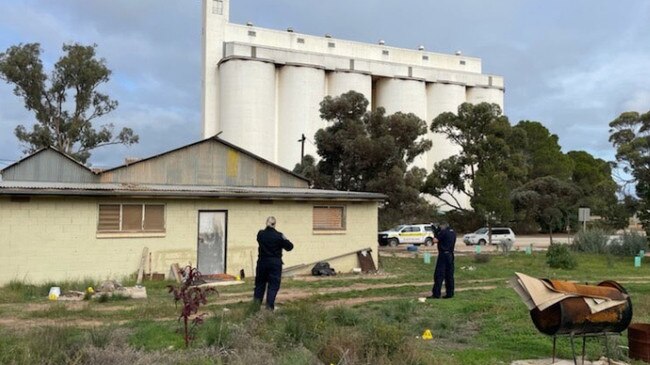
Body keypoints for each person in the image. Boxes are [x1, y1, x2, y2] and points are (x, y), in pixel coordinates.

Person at [253, 216, 294, 310]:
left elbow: (260, 238)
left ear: (266, 223)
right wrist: (284, 238)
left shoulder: (260, 234)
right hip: (275, 263)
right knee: (273, 285)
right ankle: (269, 307)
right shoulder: (279, 236)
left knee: (259, 285)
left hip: (262, 263)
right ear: (275, 224)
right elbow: (290, 247)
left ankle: (255, 307)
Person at [428, 222, 456, 299]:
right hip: (451, 254)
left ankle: (436, 294)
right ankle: (450, 293)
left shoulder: (443, 232)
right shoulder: (453, 232)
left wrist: (435, 233)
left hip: (443, 255)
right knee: (449, 275)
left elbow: (435, 240)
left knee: (439, 275)